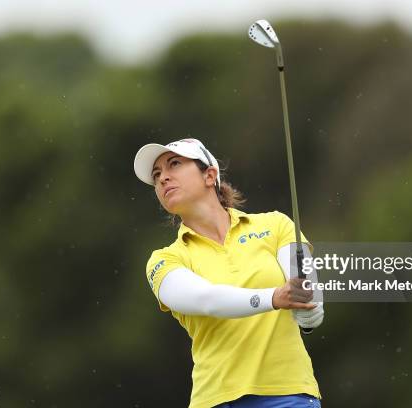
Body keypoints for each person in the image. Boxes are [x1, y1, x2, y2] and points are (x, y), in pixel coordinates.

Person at [134, 138, 324, 408]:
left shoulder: (276, 225)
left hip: (288, 394)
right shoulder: (164, 259)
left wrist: (309, 312)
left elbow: (309, 290)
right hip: (215, 400)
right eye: (156, 175)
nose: (163, 178)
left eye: (174, 164)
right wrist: (274, 297)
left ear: (209, 175)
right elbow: (205, 300)